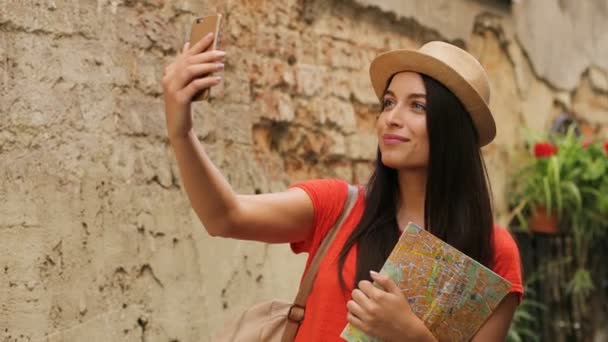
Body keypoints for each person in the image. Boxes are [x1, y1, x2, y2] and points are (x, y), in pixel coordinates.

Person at [162, 34, 524, 341]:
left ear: (453, 129)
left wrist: (411, 334)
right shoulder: (340, 206)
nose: (391, 118)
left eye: (417, 106)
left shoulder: (492, 253)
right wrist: (181, 131)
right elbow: (226, 216)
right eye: (388, 102)